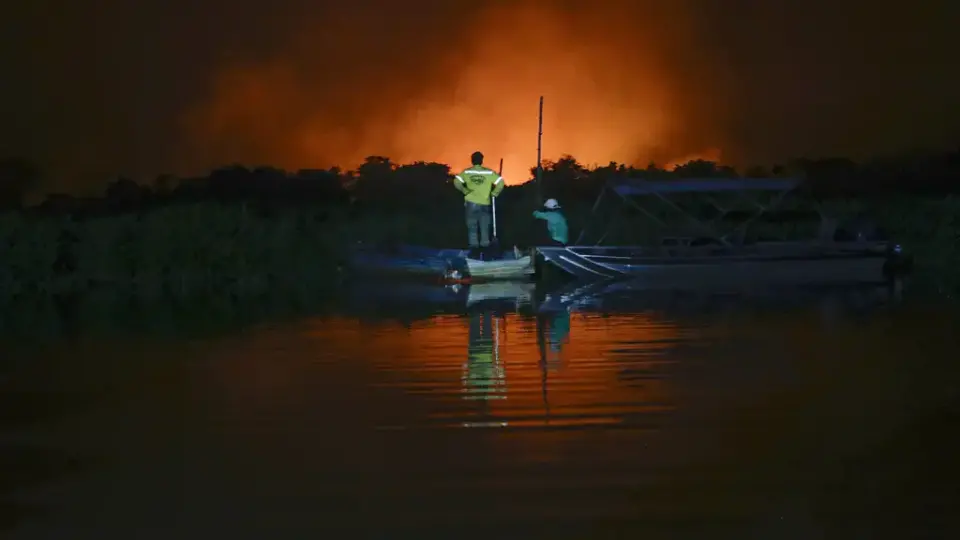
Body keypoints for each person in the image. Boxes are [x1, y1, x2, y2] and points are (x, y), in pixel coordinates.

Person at [452, 151, 504, 257]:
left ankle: (474, 251)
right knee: (485, 227)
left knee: (472, 228)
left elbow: (456, 181)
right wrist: (494, 193)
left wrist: (465, 191)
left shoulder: (467, 172)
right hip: (485, 203)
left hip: (471, 204)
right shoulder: (489, 173)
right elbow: (500, 182)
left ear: (472, 160)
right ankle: (485, 251)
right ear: (482, 160)